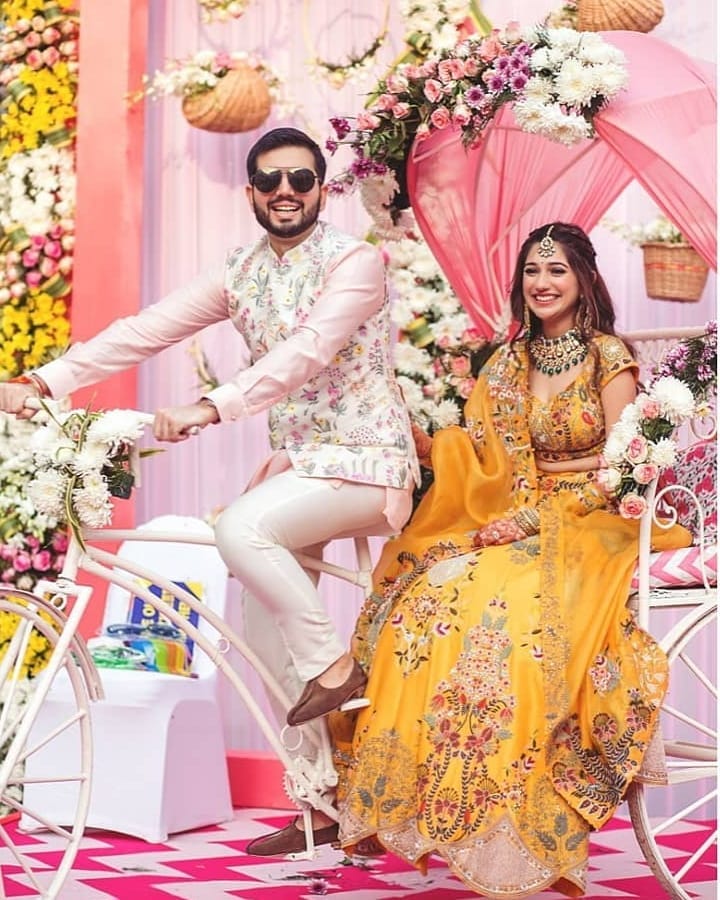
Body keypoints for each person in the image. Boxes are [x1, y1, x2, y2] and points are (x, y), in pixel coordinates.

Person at [0, 126, 419, 856]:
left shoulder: (355, 262)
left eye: (300, 179)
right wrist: (45, 380)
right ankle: (325, 801)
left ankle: (336, 665)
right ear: (251, 192)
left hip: (366, 462)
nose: (285, 191)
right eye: (270, 181)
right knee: (261, 631)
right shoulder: (242, 270)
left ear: (322, 187)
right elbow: (145, 329)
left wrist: (211, 406)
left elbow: (305, 352)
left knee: (240, 530)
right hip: (300, 466)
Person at [330, 222, 691, 896]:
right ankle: (450, 814)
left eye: (556, 269)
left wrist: (541, 512)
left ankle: (529, 829)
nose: (543, 283)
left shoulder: (607, 358)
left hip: (595, 520)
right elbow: (480, 456)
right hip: (511, 518)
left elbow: (623, 467)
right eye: (532, 271)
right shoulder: (507, 363)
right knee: (433, 595)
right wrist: (415, 438)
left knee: (515, 620)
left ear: (584, 277)